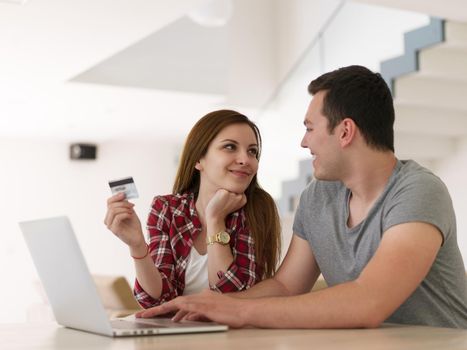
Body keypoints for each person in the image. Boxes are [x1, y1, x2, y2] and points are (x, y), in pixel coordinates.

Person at [136, 65, 467, 329]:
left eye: (310, 128)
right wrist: (208, 306)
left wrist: (238, 312)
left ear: (345, 131)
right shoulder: (318, 196)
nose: (303, 142)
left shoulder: (418, 191)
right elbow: (285, 287)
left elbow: (369, 302)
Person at [104, 109, 281, 308]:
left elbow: (230, 297)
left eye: (252, 151)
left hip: (234, 334)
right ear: (198, 159)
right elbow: (157, 299)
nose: (245, 160)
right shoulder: (167, 208)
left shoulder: (258, 209)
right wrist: (137, 245)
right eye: (230, 147)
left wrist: (215, 219)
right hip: (179, 332)